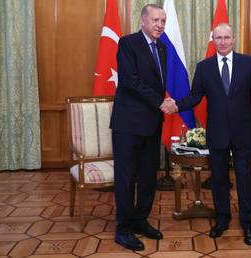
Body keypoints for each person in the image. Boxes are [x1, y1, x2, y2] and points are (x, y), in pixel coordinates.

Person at [161, 23, 251, 246]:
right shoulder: (204, 67)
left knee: (244, 179)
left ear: (233, 38)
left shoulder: (249, 64)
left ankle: (248, 223)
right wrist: (176, 105)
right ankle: (222, 220)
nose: (223, 41)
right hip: (217, 133)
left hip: (243, 132)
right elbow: (195, 96)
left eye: (227, 37)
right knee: (219, 180)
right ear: (213, 39)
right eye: (218, 38)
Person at [110, 4, 168, 251]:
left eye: (163, 21)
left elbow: (157, 84)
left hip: (152, 124)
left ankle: (140, 220)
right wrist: (161, 102)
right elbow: (130, 81)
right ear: (143, 20)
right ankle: (123, 230)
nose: (160, 25)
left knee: (147, 176)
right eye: (155, 20)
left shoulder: (163, 48)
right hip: (129, 125)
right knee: (126, 178)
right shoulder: (128, 43)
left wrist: (163, 105)